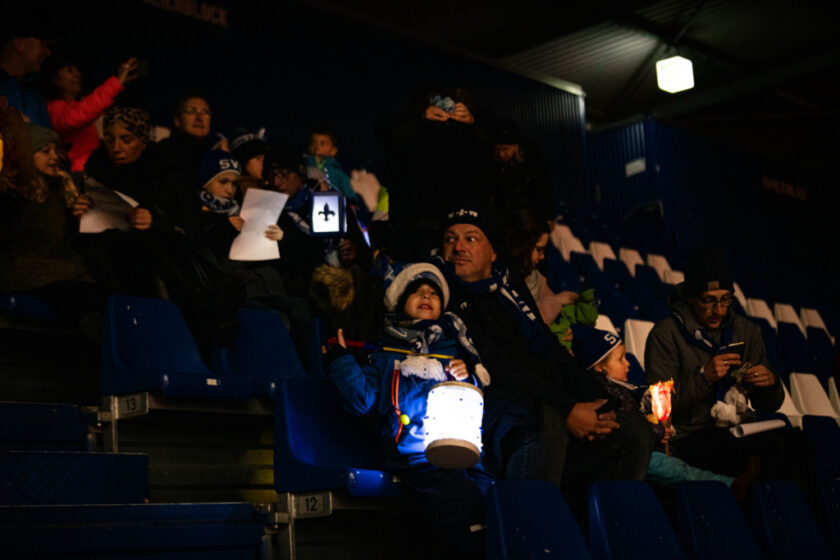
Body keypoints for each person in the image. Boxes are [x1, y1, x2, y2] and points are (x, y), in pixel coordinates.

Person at [436, 206, 654, 507]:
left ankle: (603, 533)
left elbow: (551, 348)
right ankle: (532, 533)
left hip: (546, 401)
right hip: (496, 406)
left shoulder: (508, 287)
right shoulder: (441, 291)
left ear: (493, 252)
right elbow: (496, 362)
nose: (458, 247)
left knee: (634, 432)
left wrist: (601, 404)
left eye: (471, 238)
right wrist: (568, 409)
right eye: (450, 238)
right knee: (545, 418)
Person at [322, 262, 492, 559]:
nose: (426, 296)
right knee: (459, 503)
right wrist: (341, 360)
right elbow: (361, 401)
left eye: (433, 293)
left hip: (465, 456)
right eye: (416, 291)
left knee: (492, 496)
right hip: (416, 457)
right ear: (400, 303)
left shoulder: (454, 351)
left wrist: (469, 377)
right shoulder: (384, 357)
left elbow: (473, 402)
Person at [644, 248, 810, 486]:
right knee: (766, 453)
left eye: (725, 300)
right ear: (691, 298)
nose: (719, 310)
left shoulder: (746, 331)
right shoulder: (666, 334)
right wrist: (703, 378)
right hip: (692, 433)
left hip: (742, 426)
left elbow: (769, 404)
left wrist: (769, 383)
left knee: (799, 444)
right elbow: (659, 406)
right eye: (709, 301)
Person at [570, 324, 760, 498]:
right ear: (599, 368)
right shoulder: (607, 391)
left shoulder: (626, 390)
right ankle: (731, 486)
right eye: (620, 359)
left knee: (681, 467)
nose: (628, 364)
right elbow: (626, 424)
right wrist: (657, 432)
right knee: (679, 471)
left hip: (647, 449)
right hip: (632, 455)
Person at [0, 117, 98, 326]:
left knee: (98, 291)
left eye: (55, 150)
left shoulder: (62, 188)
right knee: (78, 297)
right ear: (26, 155)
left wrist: (80, 218)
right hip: (23, 271)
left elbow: (64, 240)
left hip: (57, 268)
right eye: (45, 151)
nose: (54, 157)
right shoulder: (12, 192)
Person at [379, 86, 494, 259]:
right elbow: (386, 134)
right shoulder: (408, 127)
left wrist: (471, 122)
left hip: (461, 219)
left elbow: (488, 161)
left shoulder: (470, 132)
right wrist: (420, 119)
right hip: (416, 223)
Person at [43, 55, 138, 171]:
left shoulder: (78, 103)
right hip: (76, 173)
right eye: (69, 70)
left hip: (92, 169)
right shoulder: (53, 109)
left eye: (77, 70)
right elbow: (77, 116)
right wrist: (116, 83)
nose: (77, 74)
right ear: (53, 78)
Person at [489, 119, 553, 223]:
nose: (501, 154)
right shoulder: (494, 166)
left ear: (515, 146)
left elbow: (543, 190)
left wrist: (548, 217)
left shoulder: (530, 163)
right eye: (498, 150)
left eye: (505, 149)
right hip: (503, 220)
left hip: (529, 219)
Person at [0, 13, 52, 127]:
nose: (47, 52)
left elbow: (46, 138)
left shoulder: (35, 95)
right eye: (41, 44)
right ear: (19, 44)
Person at [156, 94, 219, 188]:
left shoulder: (217, 157)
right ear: (177, 120)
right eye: (191, 111)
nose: (199, 117)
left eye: (205, 112)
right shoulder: (162, 152)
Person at [304, 127, 357, 203]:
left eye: (322, 144)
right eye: (313, 143)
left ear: (333, 150)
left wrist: (351, 202)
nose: (317, 147)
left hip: (332, 202)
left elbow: (347, 188)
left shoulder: (336, 170)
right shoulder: (305, 165)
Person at [230, 126, 266, 196]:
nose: (262, 163)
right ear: (244, 161)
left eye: (263, 159)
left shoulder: (263, 185)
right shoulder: (240, 190)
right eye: (258, 158)